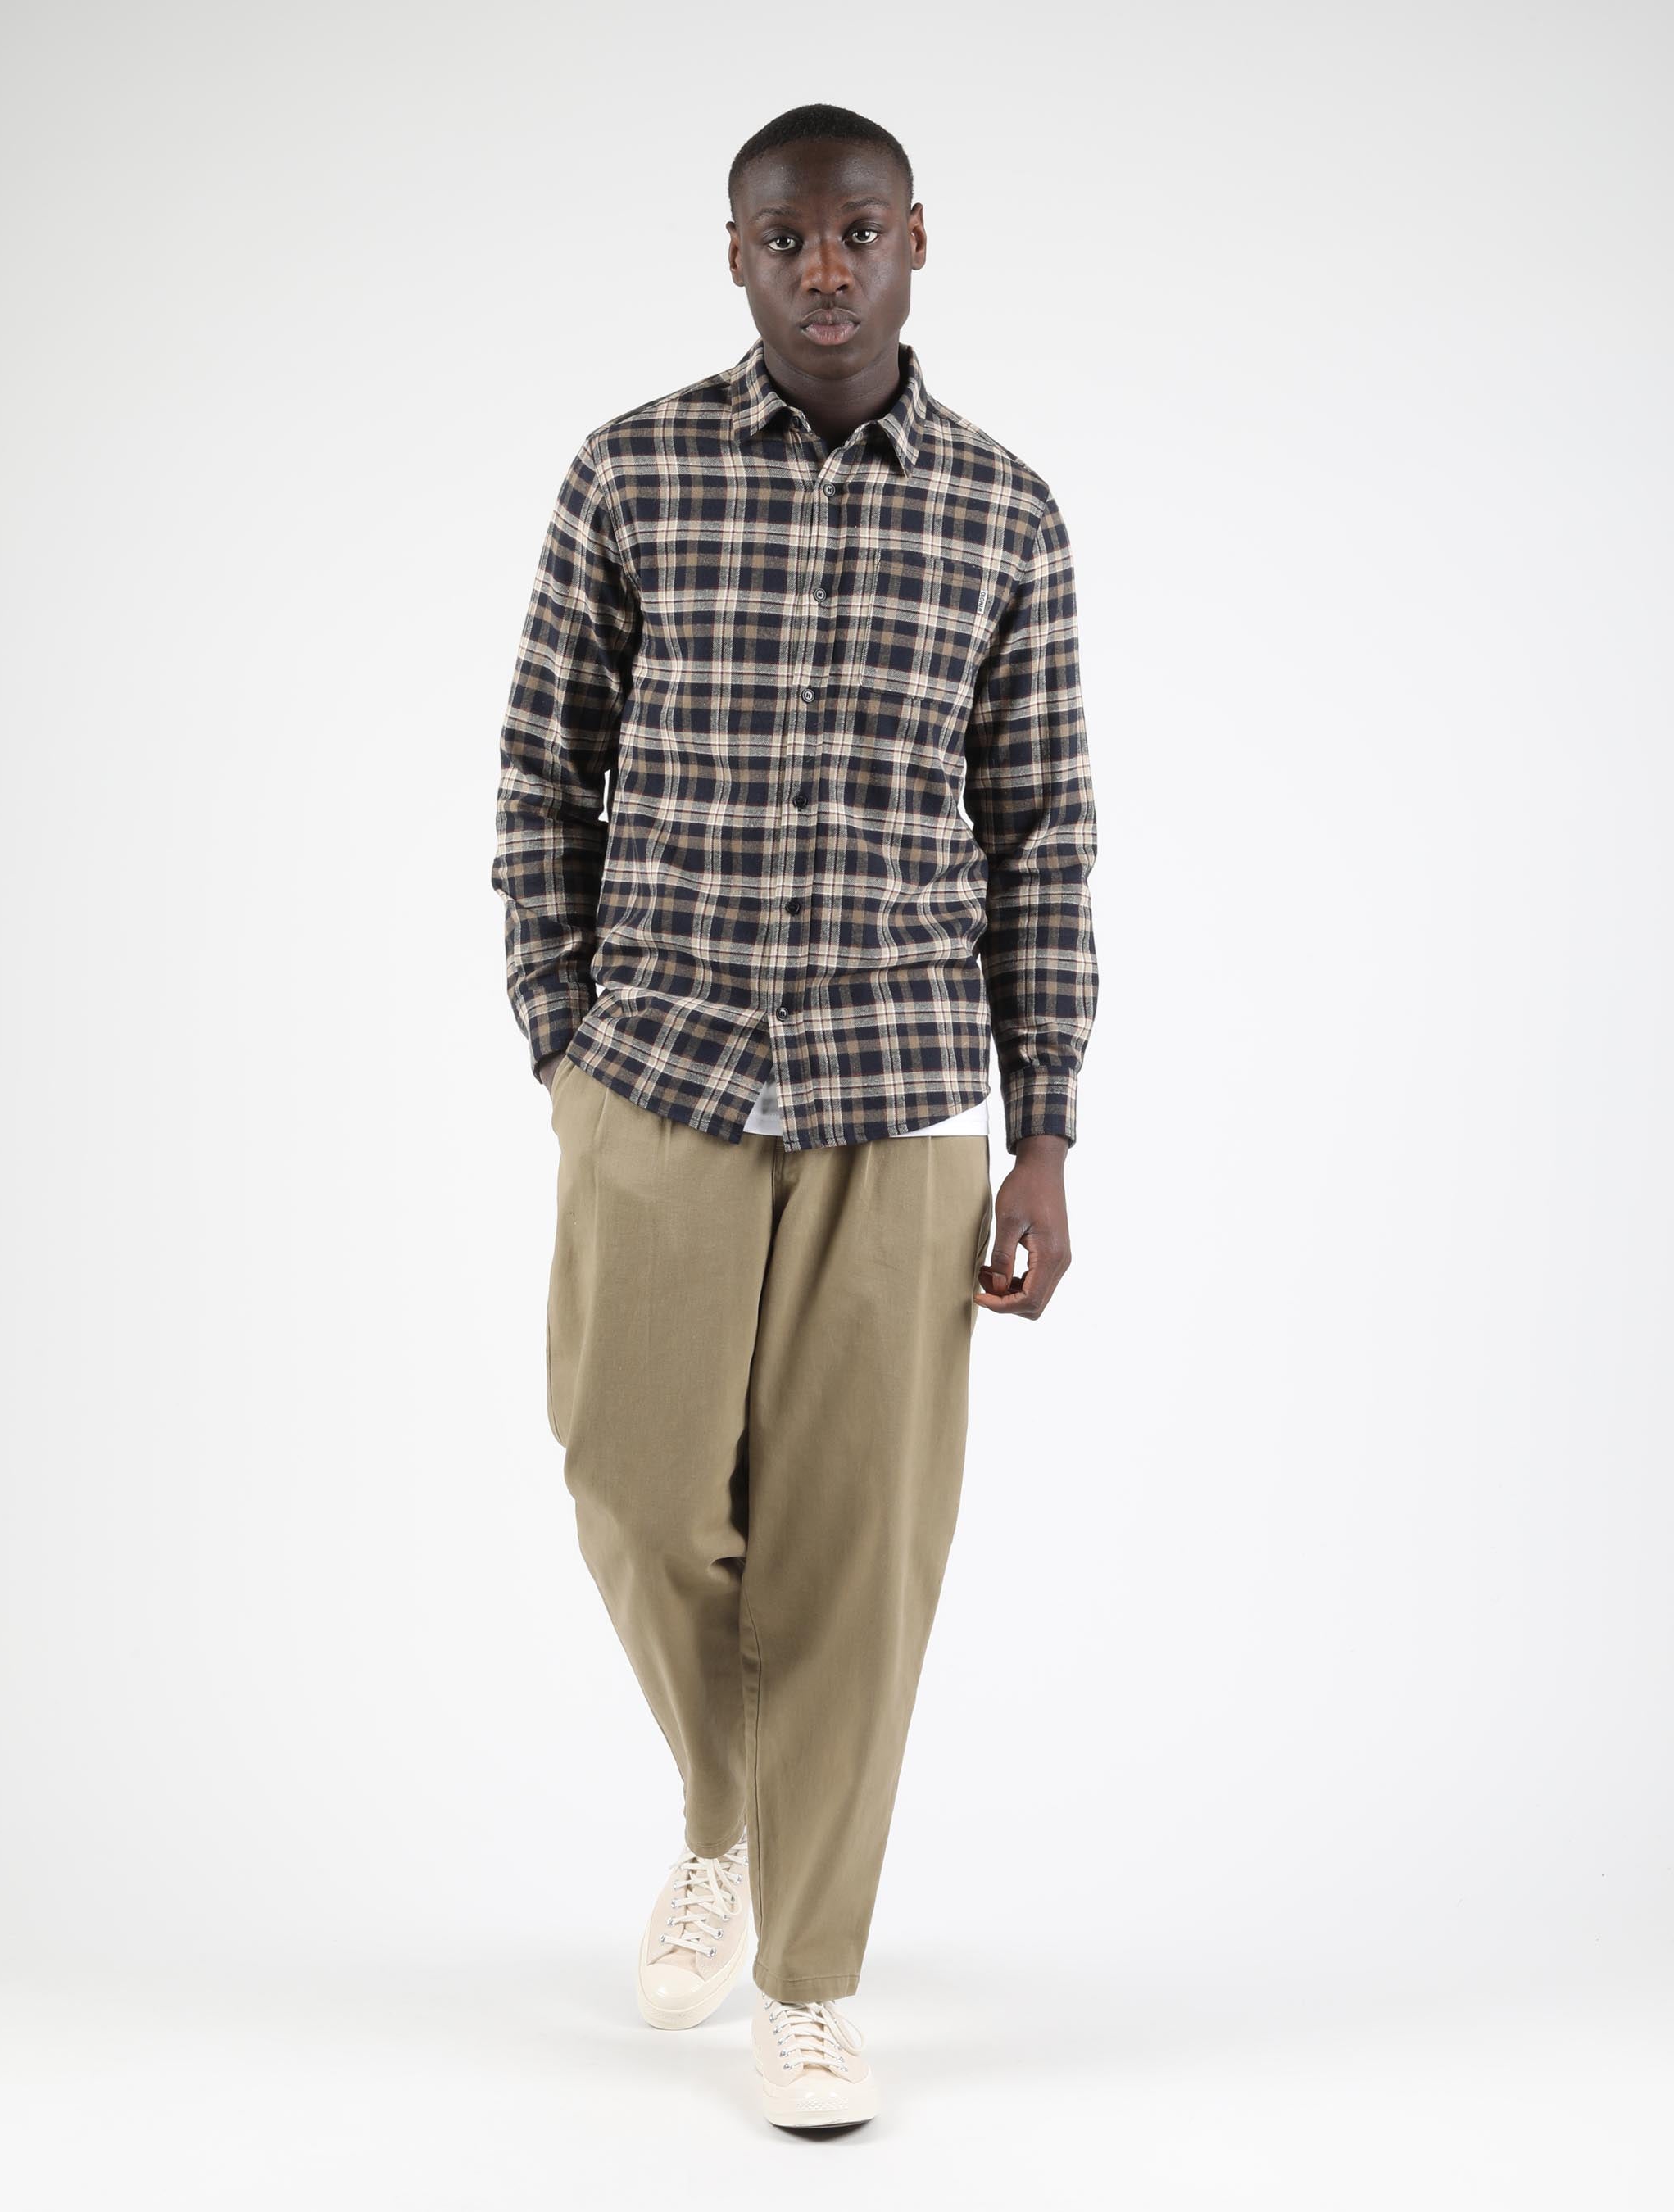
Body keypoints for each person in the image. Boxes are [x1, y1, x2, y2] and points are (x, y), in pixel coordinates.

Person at [490, 101, 1096, 2130]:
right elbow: (543, 774)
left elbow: (1042, 834)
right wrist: (564, 1044)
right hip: (656, 1072)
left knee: (860, 1554)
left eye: (855, 233)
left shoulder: (1007, 514)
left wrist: (1044, 1131)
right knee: (630, 1484)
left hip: (898, 1099)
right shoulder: (632, 473)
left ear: (916, 241)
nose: (822, 271)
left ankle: (811, 1978)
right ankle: (724, 1813)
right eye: (784, 239)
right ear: (734, 256)